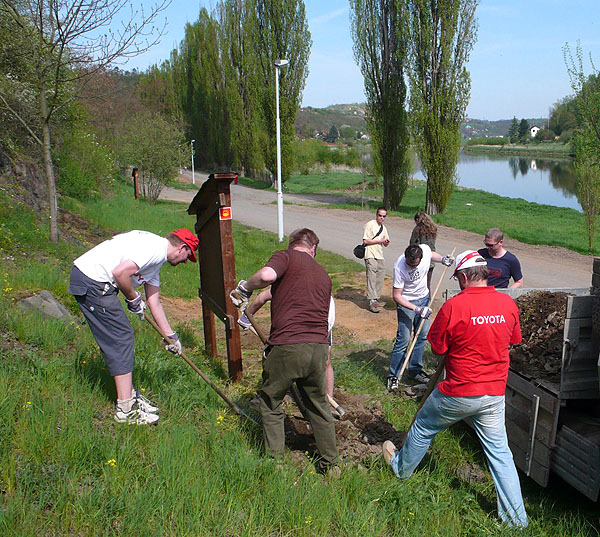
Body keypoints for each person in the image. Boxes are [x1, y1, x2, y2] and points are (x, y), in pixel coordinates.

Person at [382, 250, 528, 528]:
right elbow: (514, 339)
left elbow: (438, 347)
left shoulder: (454, 307)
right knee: (500, 454)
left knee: (424, 426)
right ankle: (516, 521)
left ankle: (401, 469)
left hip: (458, 391)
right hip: (494, 393)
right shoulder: (508, 304)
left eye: (458, 278)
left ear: (463, 276)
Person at [229, 228, 338, 471]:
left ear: (293, 246)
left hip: (289, 345)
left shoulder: (286, 256)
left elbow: (267, 275)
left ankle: (274, 462)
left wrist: (245, 288)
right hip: (319, 348)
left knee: (270, 400)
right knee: (318, 404)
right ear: (313, 249)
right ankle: (332, 464)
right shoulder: (324, 275)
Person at [68, 229, 199, 425]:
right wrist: (133, 298)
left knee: (122, 335)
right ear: (182, 248)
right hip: (91, 281)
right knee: (121, 337)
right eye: (187, 256)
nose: (184, 262)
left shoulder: (156, 261)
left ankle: (128, 394)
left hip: (99, 283)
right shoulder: (154, 249)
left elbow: (154, 302)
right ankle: (125, 409)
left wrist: (171, 336)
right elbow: (119, 273)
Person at [238, 292, 339, 415]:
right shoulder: (289, 285)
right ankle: (270, 397)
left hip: (318, 325)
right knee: (276, 358)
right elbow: (263, 296)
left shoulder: (325, 302)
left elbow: (324, 337)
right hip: (290, 327)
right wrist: (246, 317)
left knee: (325, 359)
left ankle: (328, 400)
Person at [387, 244, 454, 391]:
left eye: (414, 264)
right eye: (410, 264)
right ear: (406, 258)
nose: (411, 267)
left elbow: (432, 254)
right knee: (403, 339)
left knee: (422, 336)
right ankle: (394, 375)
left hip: (423, 299)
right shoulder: (399, 266)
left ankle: (415, 370)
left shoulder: (424, 250)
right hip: (407, 303)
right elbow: (396, 296)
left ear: (420, 258)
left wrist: (442, 259)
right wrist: (416, 309)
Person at [363, 207, 390, 313]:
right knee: (371, 277)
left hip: (380, 255)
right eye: (380, 215)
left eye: (384, 216)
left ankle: (376, 298)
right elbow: (365, 241)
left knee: (380, 277)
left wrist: (386, 242)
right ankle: (371, 302)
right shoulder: (370, 224)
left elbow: (385, 243)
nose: (381, 218)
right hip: (370, 254)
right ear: (376, 215)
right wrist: (379, 240)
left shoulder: (383, 228)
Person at [409, 211, 437, 292]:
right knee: (427, 284)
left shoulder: (418, 229)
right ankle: (428, 302)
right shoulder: (433, 229)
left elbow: (412, 244)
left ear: (418, 220)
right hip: (431, 259)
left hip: (421, 260)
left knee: (417, 284)